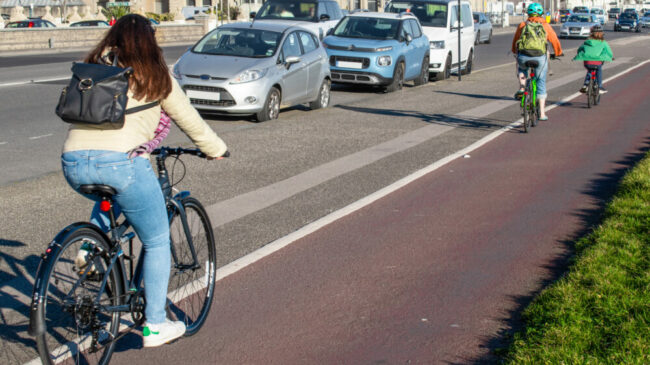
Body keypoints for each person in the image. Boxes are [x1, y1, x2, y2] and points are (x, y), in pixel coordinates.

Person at [61, 14, 227, 348]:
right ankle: (154, 324)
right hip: (121, 164)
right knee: (155, 240)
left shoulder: (94, 66)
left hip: (73, 162)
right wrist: (216, 149)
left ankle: (91, 246)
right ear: (150, 42)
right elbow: (189, 119)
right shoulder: (155, 75)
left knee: (107, 200)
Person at [511, 2, 563, 121]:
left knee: (522, 68)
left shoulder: (523, 25)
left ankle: (522, 88)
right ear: (541, 14)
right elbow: (554, 40)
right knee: (540, 82)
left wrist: (514, 51)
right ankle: (542, 113)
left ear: (528, 13)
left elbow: (515, 40)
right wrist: (558, 52)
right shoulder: (545, 25)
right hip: (540, 57)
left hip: (524, 56)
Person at [573, 25, 613, 94]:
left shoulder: (587, 41)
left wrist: (579, 53)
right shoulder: (603, 42)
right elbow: (609, 52)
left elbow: (580, 49)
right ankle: (600, 87)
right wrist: (611, 57)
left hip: (587, 62)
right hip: (597, 62)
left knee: (590, 70)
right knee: (599, 70)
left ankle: (585, 85)